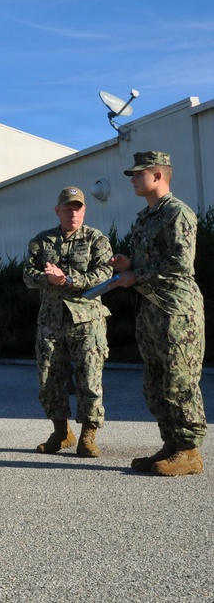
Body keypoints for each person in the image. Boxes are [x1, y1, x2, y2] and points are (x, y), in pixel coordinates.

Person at [110, 151, 207, 476]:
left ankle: (190, 451)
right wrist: (129, 265)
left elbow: (181, 263)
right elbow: (151, 262)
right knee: (155, 384)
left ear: (158, 176)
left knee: (179, 382)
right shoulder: (145, 217)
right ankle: (171, 443)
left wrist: (136, 275)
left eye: (139, 174)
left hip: (176, 311)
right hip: (150, 310)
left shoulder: (177, 213)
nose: (133, 179)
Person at [23, 186, 112, 457]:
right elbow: (28, 274)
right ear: (57, 210)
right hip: (51, 321)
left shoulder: (97, 239)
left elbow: (106, 274)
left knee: (89, 378)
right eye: (68, 208)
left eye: (78, 208)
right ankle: (61, 433)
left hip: (87, 321)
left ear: (84, 210)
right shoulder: (42, 241)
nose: (73, 213)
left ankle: (88, 435)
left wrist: (69, 280)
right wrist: (46, 278)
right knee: (49, 379)